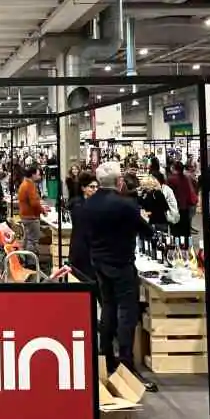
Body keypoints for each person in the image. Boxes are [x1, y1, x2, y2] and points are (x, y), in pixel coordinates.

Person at [81, 161, 157, 391]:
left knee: (108, 308)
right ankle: (126, 363)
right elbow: (147, 231)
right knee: (127, 313)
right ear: (119, 181)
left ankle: (105, 357)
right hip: (122, 263)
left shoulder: (88, 205)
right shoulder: (126, 205)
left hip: (98, 263)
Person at [67, 171, 98, 281]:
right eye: (92, 187)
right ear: (83, 188)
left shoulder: (97, 204)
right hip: (81, 247)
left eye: (96, 187)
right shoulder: (77, 205)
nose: (95, 190)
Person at [18, 166, 47, 265]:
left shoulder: (24, 183)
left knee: (28, 239)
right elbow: (34, 203)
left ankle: (26, 260)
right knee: (33, 240)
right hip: (31, 217)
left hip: (25, 216)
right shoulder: (29, 185)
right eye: (38, 174)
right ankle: (31, 263)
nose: (40, 176)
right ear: (33, 174)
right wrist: (42, 210)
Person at [167, 161, 197, 238]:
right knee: (185, 228)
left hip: (175, 206)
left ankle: (177, 243)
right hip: (185, 206)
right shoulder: (185, 178)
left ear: (173, 168)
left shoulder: (171, 179)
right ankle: (186, 242)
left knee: (176, 229)